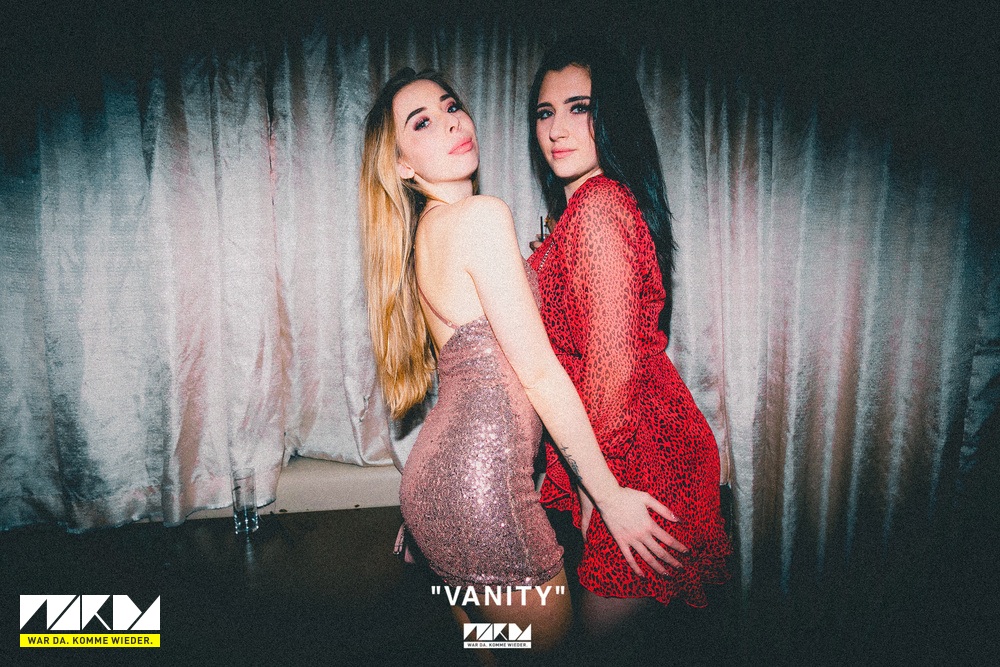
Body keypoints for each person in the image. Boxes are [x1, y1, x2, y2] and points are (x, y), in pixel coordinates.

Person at [359, 68, 685, 654]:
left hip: (433, 487)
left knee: (495, 647)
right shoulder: (480, 217)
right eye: (422, 123)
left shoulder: (427, 233)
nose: (451, 122)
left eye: (451, 106)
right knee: (546, 649)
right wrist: (608, 496)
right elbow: (536, 373)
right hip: (481, 490)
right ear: (402, 166)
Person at [527, 37, 731, 636]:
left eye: (580, 108)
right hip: (621, 456)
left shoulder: (598, 210)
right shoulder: (585, 211)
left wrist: (601, 495)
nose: (557, 129)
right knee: (554, 637)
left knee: (580, 643)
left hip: (636, 463)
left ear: (612, 116)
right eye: (545, 112)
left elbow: (612, 377)